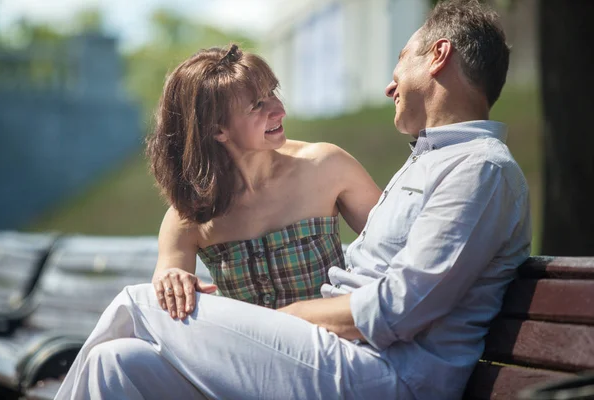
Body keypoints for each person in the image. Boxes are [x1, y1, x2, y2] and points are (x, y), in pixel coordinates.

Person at [55, 1, 532, 399]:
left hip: (382, 375)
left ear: (437, 56)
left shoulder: (479, 169)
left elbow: (399, 308)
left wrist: (285, 320)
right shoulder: (431, 161)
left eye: (400, 63)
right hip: (336, 360)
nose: (390, 86)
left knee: (140, 304)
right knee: (115, 363)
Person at [145, 44, 381, 318]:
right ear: (216, 129)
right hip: (247, 354)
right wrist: (171, 281)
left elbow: (397, 248)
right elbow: (166, 292)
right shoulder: (188, 216)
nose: (279, 110)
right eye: (258, 105)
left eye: (272, 93)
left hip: (332, 345)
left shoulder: (326, 166)